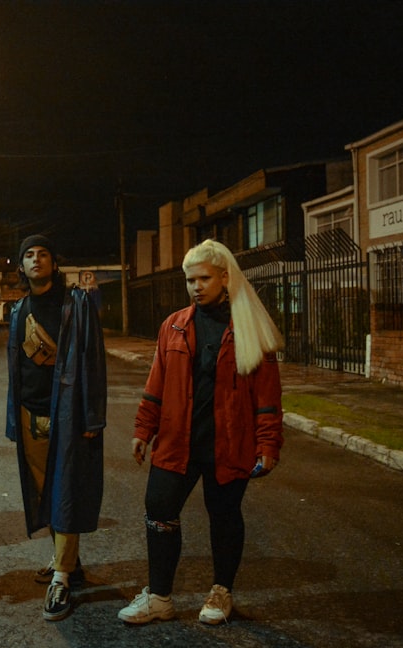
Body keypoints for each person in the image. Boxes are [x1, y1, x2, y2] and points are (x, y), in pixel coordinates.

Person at [117, 239, 284, 626]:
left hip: (229, 443)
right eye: (190, 279)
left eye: (204, 278)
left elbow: (267, 397)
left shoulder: (251, 327)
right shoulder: (174, 325)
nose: (196, 286)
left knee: (224, 515)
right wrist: (144, 428)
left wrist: (268, 443)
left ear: (225, 278)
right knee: (159, 508)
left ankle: (221, 592)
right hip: (177, 442)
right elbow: (155, 383)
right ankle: (159, 597)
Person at [5, 235, 106, 622]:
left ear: (53, 262)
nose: (35, 261)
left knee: (65, 492)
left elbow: (93, 361)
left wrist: (92, 416)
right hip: (31, 415)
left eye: (42, 254)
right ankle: (69, 561)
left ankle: (62, 576)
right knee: (46, 493)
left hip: (67, 416)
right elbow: (15, 370)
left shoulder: (76, 304)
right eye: (28, 256)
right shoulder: (18, 311)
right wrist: (14, 418)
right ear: (21, 266)